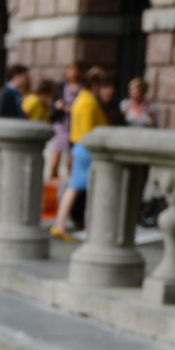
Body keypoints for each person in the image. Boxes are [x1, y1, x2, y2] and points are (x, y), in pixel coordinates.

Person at [51, 65, 113, 241]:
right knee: (78, 188)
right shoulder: (87, 102)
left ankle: (60, 225)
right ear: (95, 85)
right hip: (86, 149)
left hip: (80, 148)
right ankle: (61, 225)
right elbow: (88, 132)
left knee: (75, 188)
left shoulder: (81, 99)